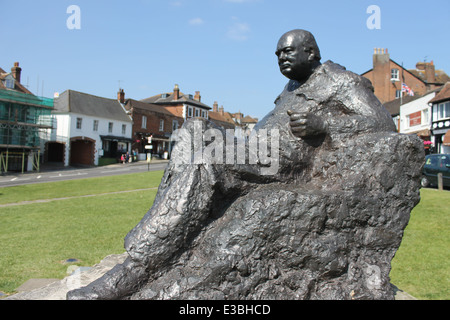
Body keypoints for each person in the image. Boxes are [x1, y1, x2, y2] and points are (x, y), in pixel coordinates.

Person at [67, 30, 399, 300]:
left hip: (284, 161)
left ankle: (132, 270)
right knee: (190, 135)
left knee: (206, 153)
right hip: (258, 151)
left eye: (288, 52)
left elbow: (382, 123)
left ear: (311, 53)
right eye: (277, 54)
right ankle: (162, 247)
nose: (281, 58)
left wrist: (324, 123)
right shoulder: (290, 87)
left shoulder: (341, 81)